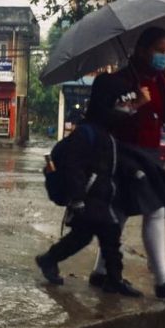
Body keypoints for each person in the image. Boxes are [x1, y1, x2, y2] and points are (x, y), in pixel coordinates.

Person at [85, 27, 165, 299]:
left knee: (120, 213)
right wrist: (133, 104)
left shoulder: (158, 81)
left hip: (150, 154)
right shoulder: (115, 81)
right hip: (123, 154)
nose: (164, 58)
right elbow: (99, 119)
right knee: (155, 209)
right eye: (159, 51)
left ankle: (102, 270)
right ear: (141, 50)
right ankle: (163, 280)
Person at [34, 118, 141, 296]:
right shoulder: (88, 133)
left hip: (98, 195)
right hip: (90, 196)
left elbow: (114, 163)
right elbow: (73, 166)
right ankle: (114, 280)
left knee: (85, 236)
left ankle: (49, 259)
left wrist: (135, 172)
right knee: (108, 234)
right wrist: (77, 199)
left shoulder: (107, 134)